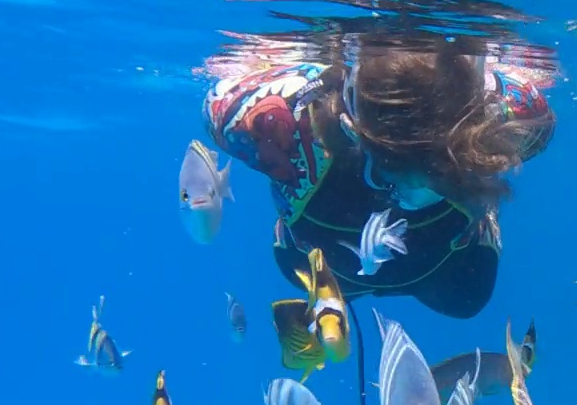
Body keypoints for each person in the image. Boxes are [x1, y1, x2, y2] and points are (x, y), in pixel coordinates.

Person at [202, 35, 557, 320]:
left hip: (445, 272)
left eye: (440, 172)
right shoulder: (275, 121)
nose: (411, 197)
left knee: (466, 300)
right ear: (350, 129)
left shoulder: (503, 115)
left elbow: (216, 108)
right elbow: (217, 108)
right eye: (392, 173)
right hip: (337, 271)